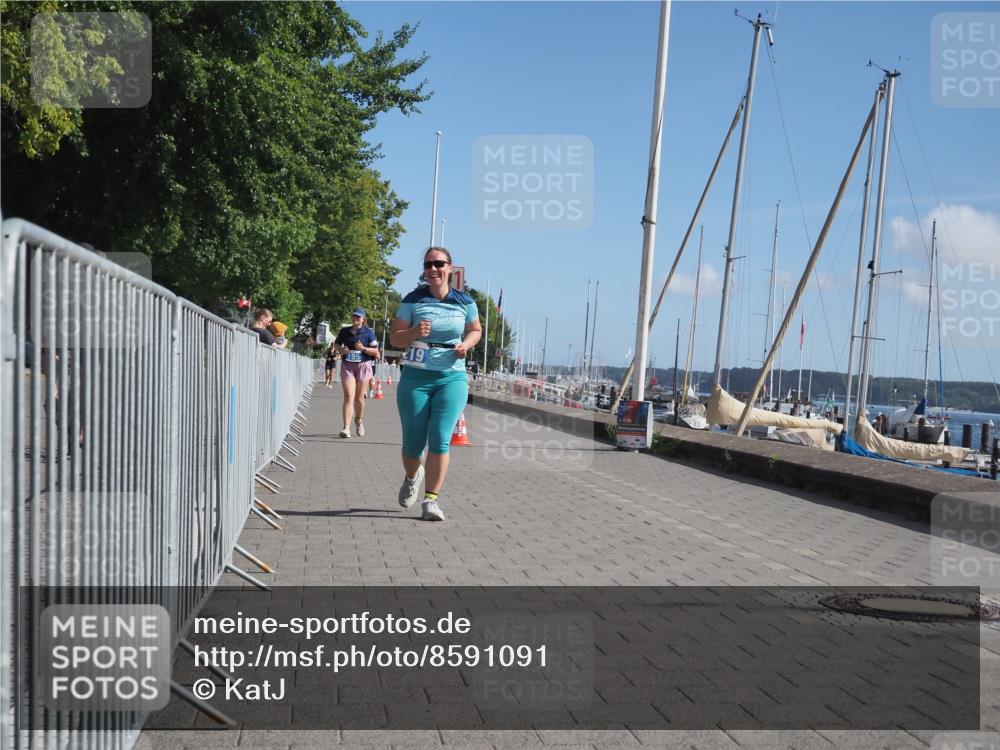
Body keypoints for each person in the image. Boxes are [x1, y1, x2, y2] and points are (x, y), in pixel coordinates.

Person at [390, 247, 482, 522]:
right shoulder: (412, 300)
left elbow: (476, 330)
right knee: (413, 445)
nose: (433, 269)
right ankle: (412, 475)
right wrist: (415, 332)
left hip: (451, 377)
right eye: (428, 265)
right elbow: (395, 339)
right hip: (416, 377)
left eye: (438, 264)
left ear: (450, 268)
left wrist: (465, 345)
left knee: (441, 439)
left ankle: (431, 501)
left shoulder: (464, 301)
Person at [335, 308, 379, 437]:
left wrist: (363, 348)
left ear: (363, 319)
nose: (355, 319)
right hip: (348, 365)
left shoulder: (369, 333)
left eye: (358, 317)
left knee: (359, 398)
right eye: (353, 316)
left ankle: (359, 421)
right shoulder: (345, 331)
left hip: (363, 366)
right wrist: (341, 350)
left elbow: (376, 352)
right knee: (349, 396)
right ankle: (346, 428)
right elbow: (336, 344)